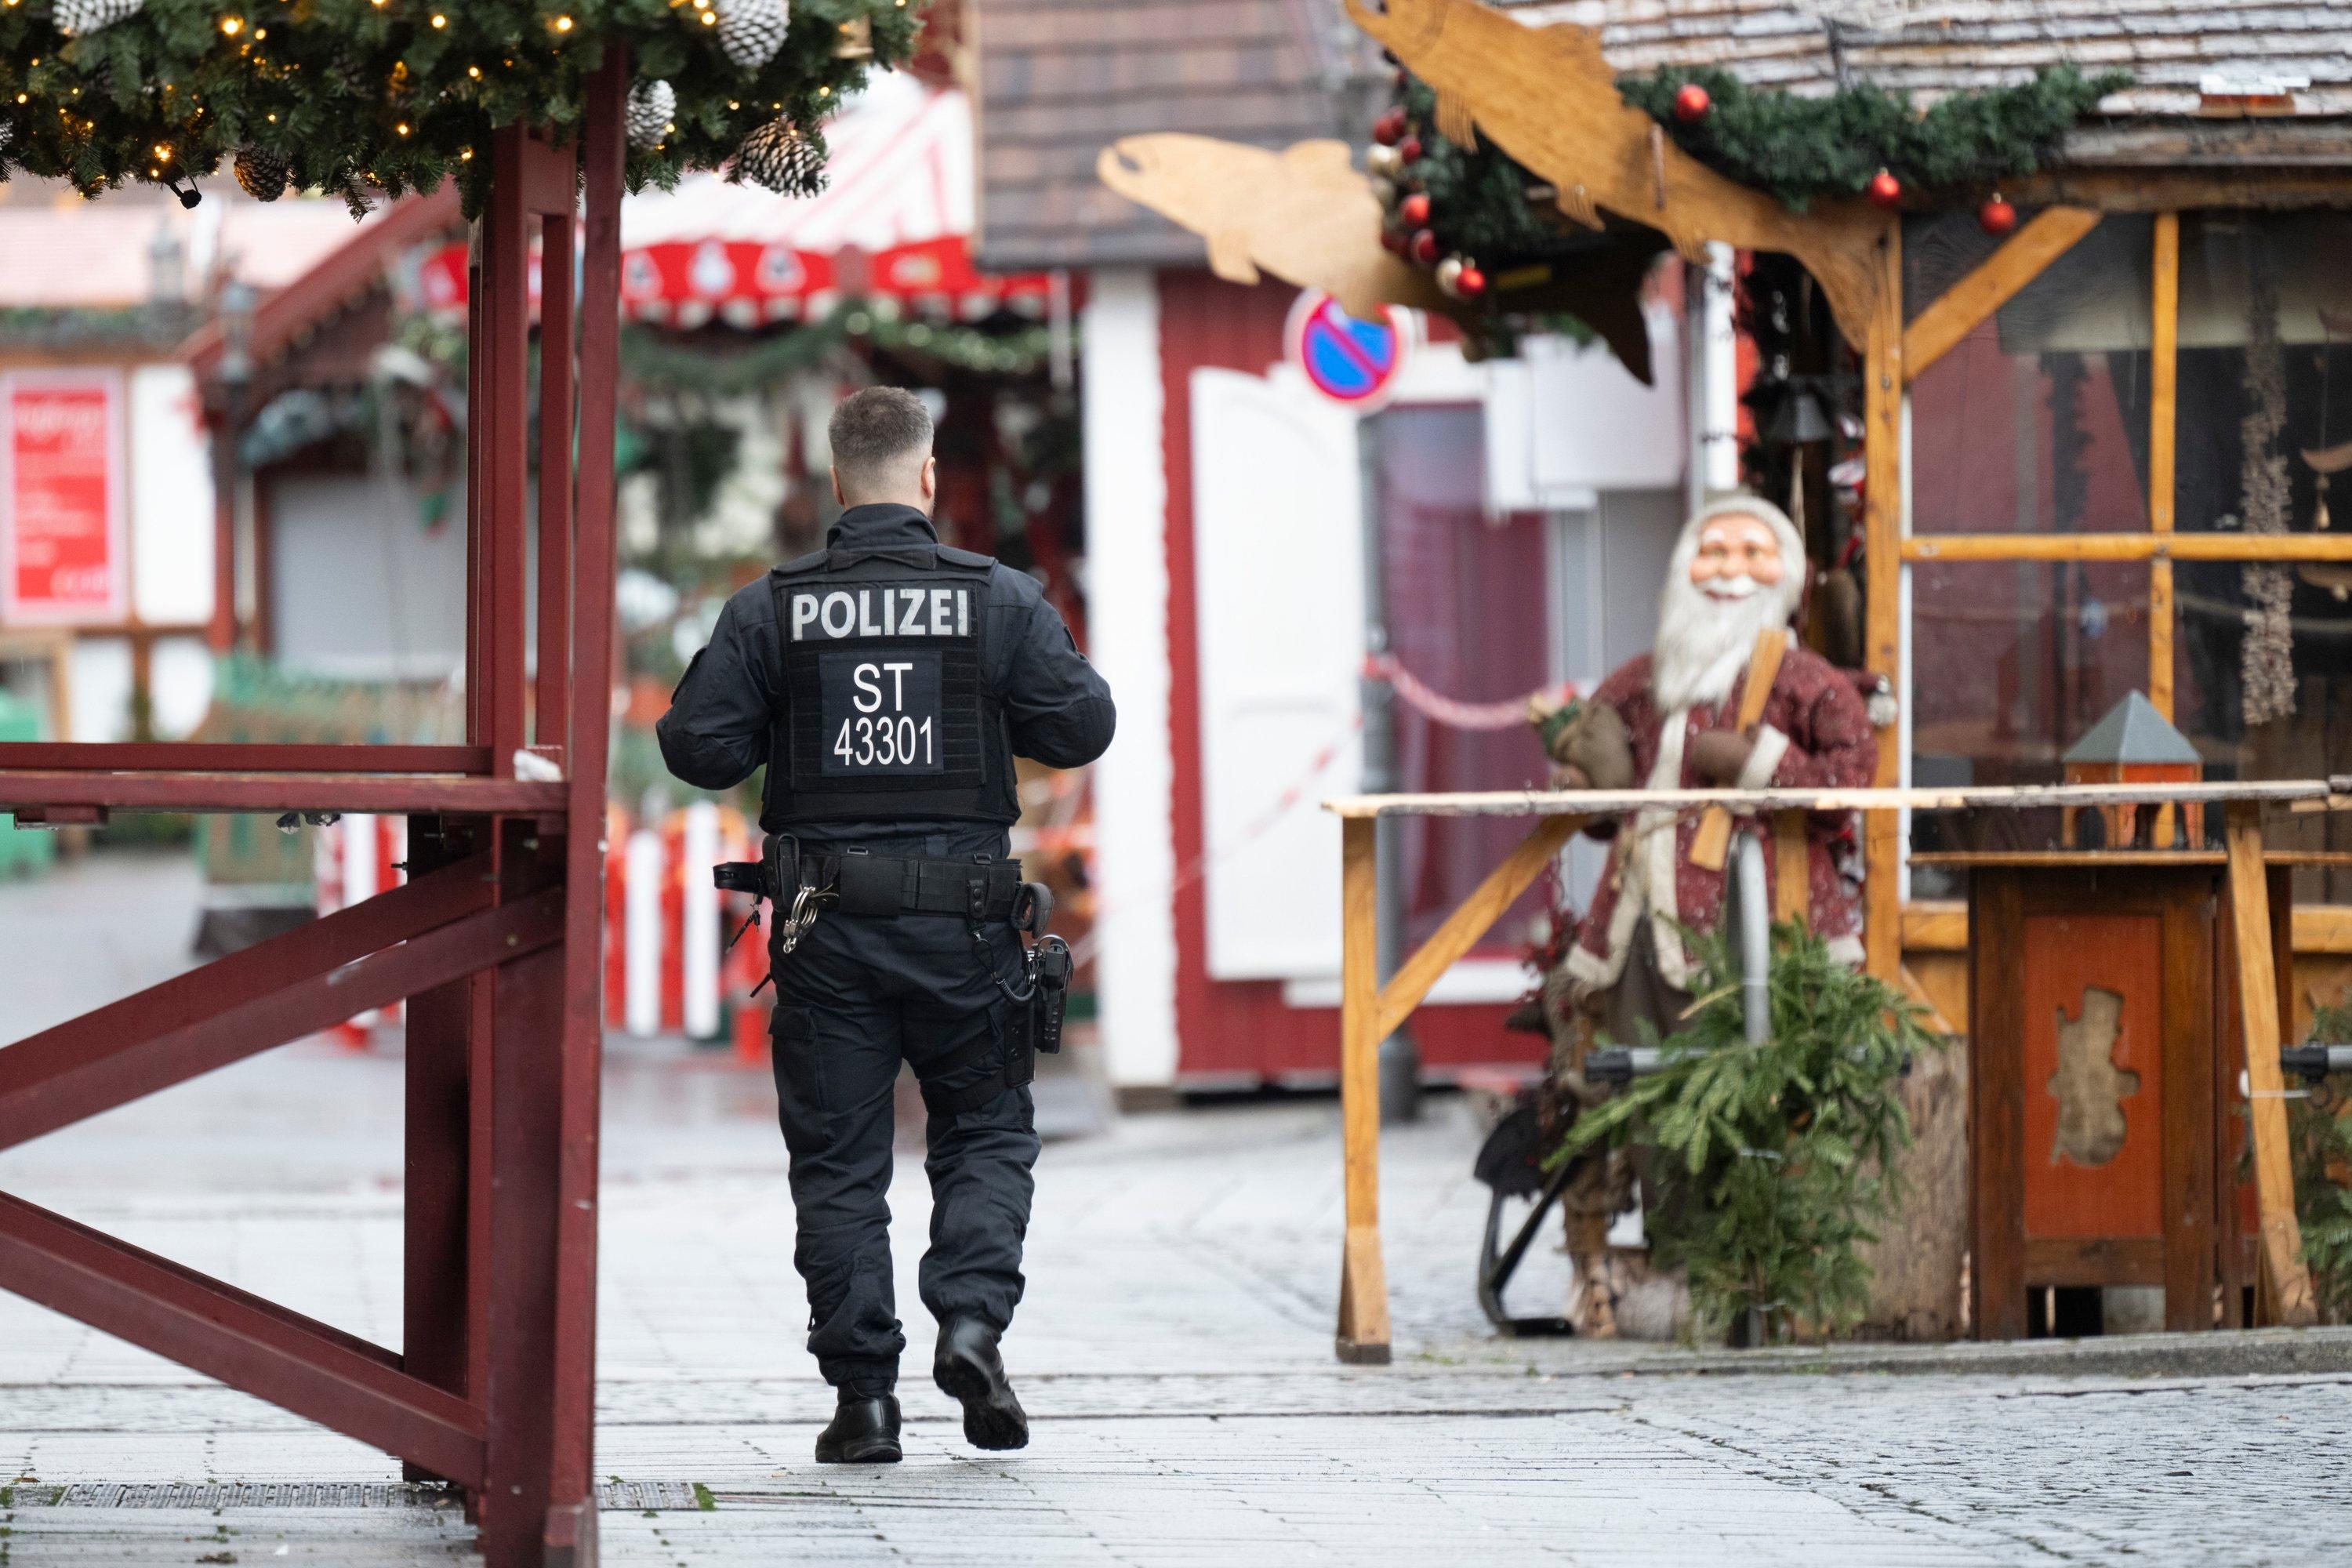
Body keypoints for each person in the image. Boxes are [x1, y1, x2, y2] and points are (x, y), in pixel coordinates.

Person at [657, 387, 1115, 1464]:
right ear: (927, 476)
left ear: (833, 480)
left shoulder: (770, 609)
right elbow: (1083, 724)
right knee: (986, 1131)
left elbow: (696, 747)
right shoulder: (997, 598)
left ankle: (864, 1402)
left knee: (840, 1163)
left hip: (828, 936)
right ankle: (972, 1324)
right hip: (968, 929)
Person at [1528, 492, 1878, 1335]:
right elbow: (1604, 791)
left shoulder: (1806, 681)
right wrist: (1583, 774)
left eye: (1751, 553)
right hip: (1644, 925)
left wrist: (1760, 761)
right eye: (1713, 552)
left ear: (1785, 575)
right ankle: (1684, 1269)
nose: (1729, 571)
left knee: (1770, 1094)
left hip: (1768, 925)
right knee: (1654, 1097)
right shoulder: (1649, 679)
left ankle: (1779, 1274)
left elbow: (1851, 782)